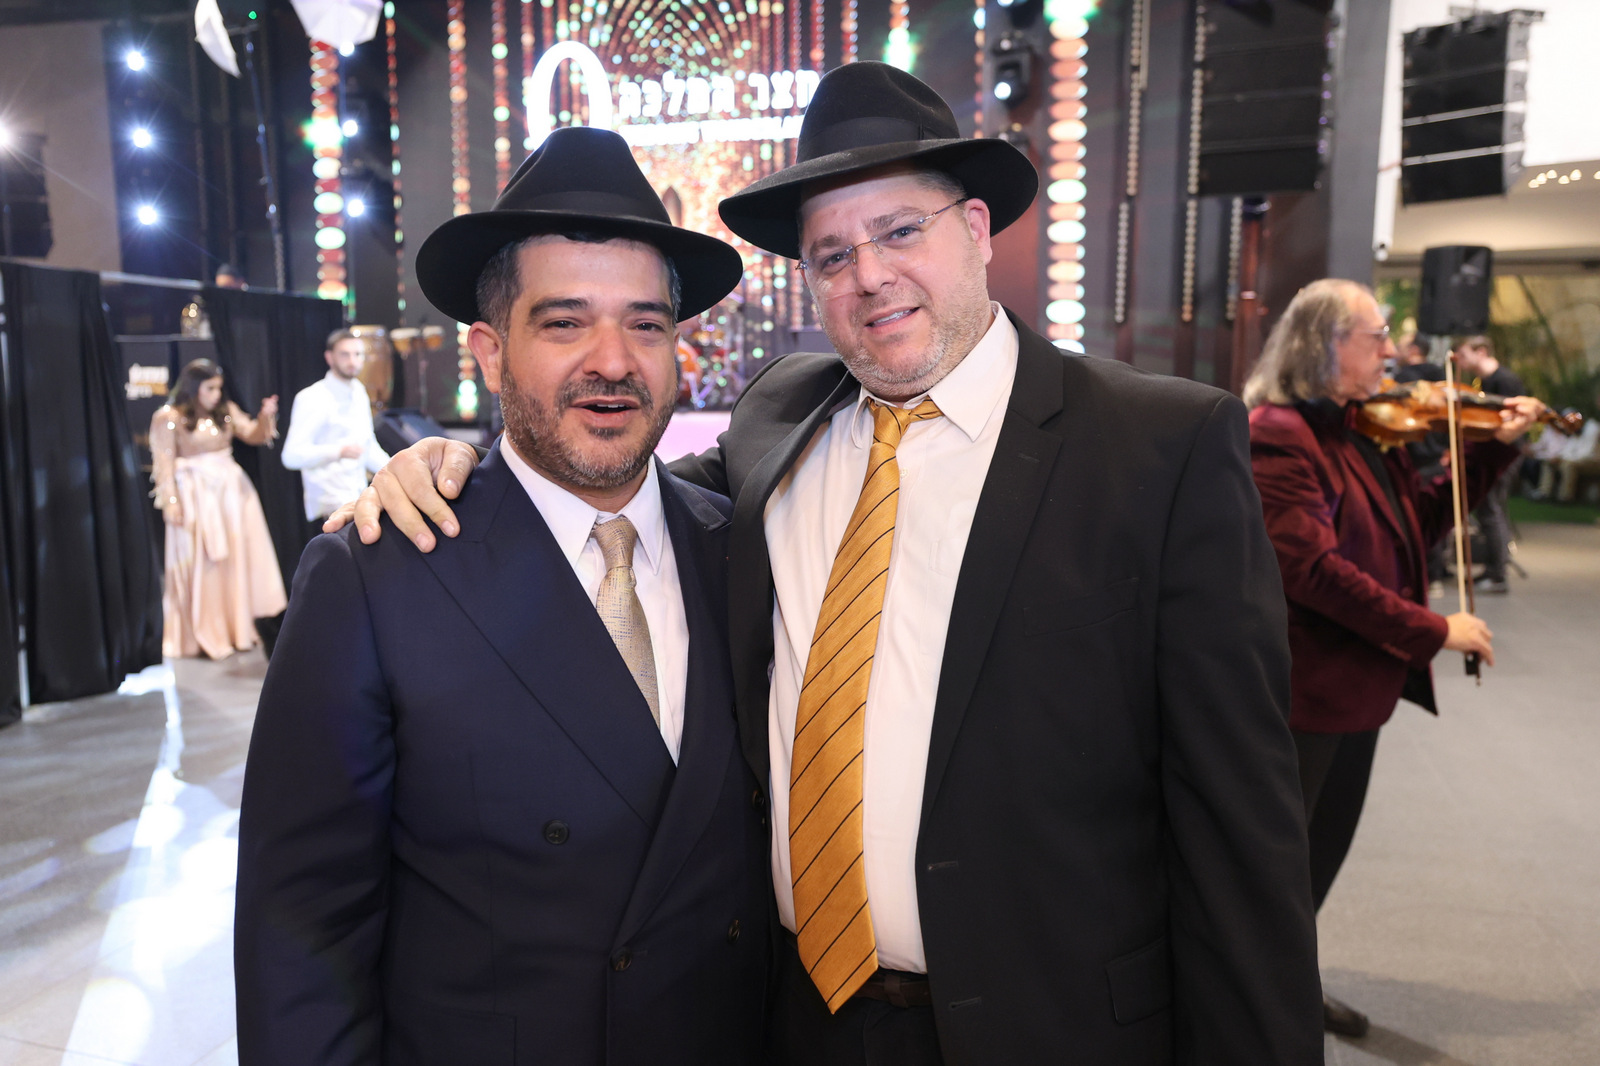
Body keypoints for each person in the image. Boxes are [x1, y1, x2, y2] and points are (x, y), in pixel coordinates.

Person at [336, 63, 1324, 1064]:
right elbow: (608, 487)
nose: (870, 276)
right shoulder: (780, 422)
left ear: (976, 228)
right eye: (832, 255)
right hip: (797, 1023)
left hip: (1054, 1032)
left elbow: (1240, 836)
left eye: (900, 231)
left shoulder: (1157, 451)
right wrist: (458, 467)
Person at [233, 127, 770, 1066]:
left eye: (646, 325)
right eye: (565, 323)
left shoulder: (742, 551)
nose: (614, 360)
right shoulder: (376, 577)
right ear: (489, 351)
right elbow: (303, 932)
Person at [1243, 280, 1540, 1037]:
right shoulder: (1278, 432)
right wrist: (1433, 630)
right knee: (1276, 867)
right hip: (1305, 690)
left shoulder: (1363, 428)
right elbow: (1310, 571)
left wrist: (1494, 450)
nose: (1391, 353)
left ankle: (1286, 991)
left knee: (1316, 859)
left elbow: (1423, 523)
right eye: (1376, 337)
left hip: (1356, 687)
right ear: (1324, 344)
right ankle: (1250, 1012)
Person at [148, 359, 285, 659]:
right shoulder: (169, 417)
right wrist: (171, 502)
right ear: (194, 387)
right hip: (196, 496)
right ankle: (205, 630)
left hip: (231, 495)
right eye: (210, 388)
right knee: (203, 563)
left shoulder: (226, 411)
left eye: (218, 388)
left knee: (236, 559)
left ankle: (239, 627)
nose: (215, 395)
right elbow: (163, 463)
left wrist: (265, 418)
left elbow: (253, 435)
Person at [280, 329, 390, 539]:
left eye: (357, 354)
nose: (352, 361)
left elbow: (368, 447)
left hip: (358, 498)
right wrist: (338, 451)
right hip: (330, 507)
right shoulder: (312, 397)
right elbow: (291, 456)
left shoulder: (358, 391)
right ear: (329, 357)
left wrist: (396, 469)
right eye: (345, 354)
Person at [1452, 335, 1526, 593]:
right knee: (1488, 510)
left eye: (1463, 354)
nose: (1459, 361)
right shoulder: (1482, 382)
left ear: (1481, 351)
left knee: (1491, 510)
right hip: (1491, 451)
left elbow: (1509, 420)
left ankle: (1497, 575)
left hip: (1503, 452)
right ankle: (1493, 569)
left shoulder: (1505, 380)